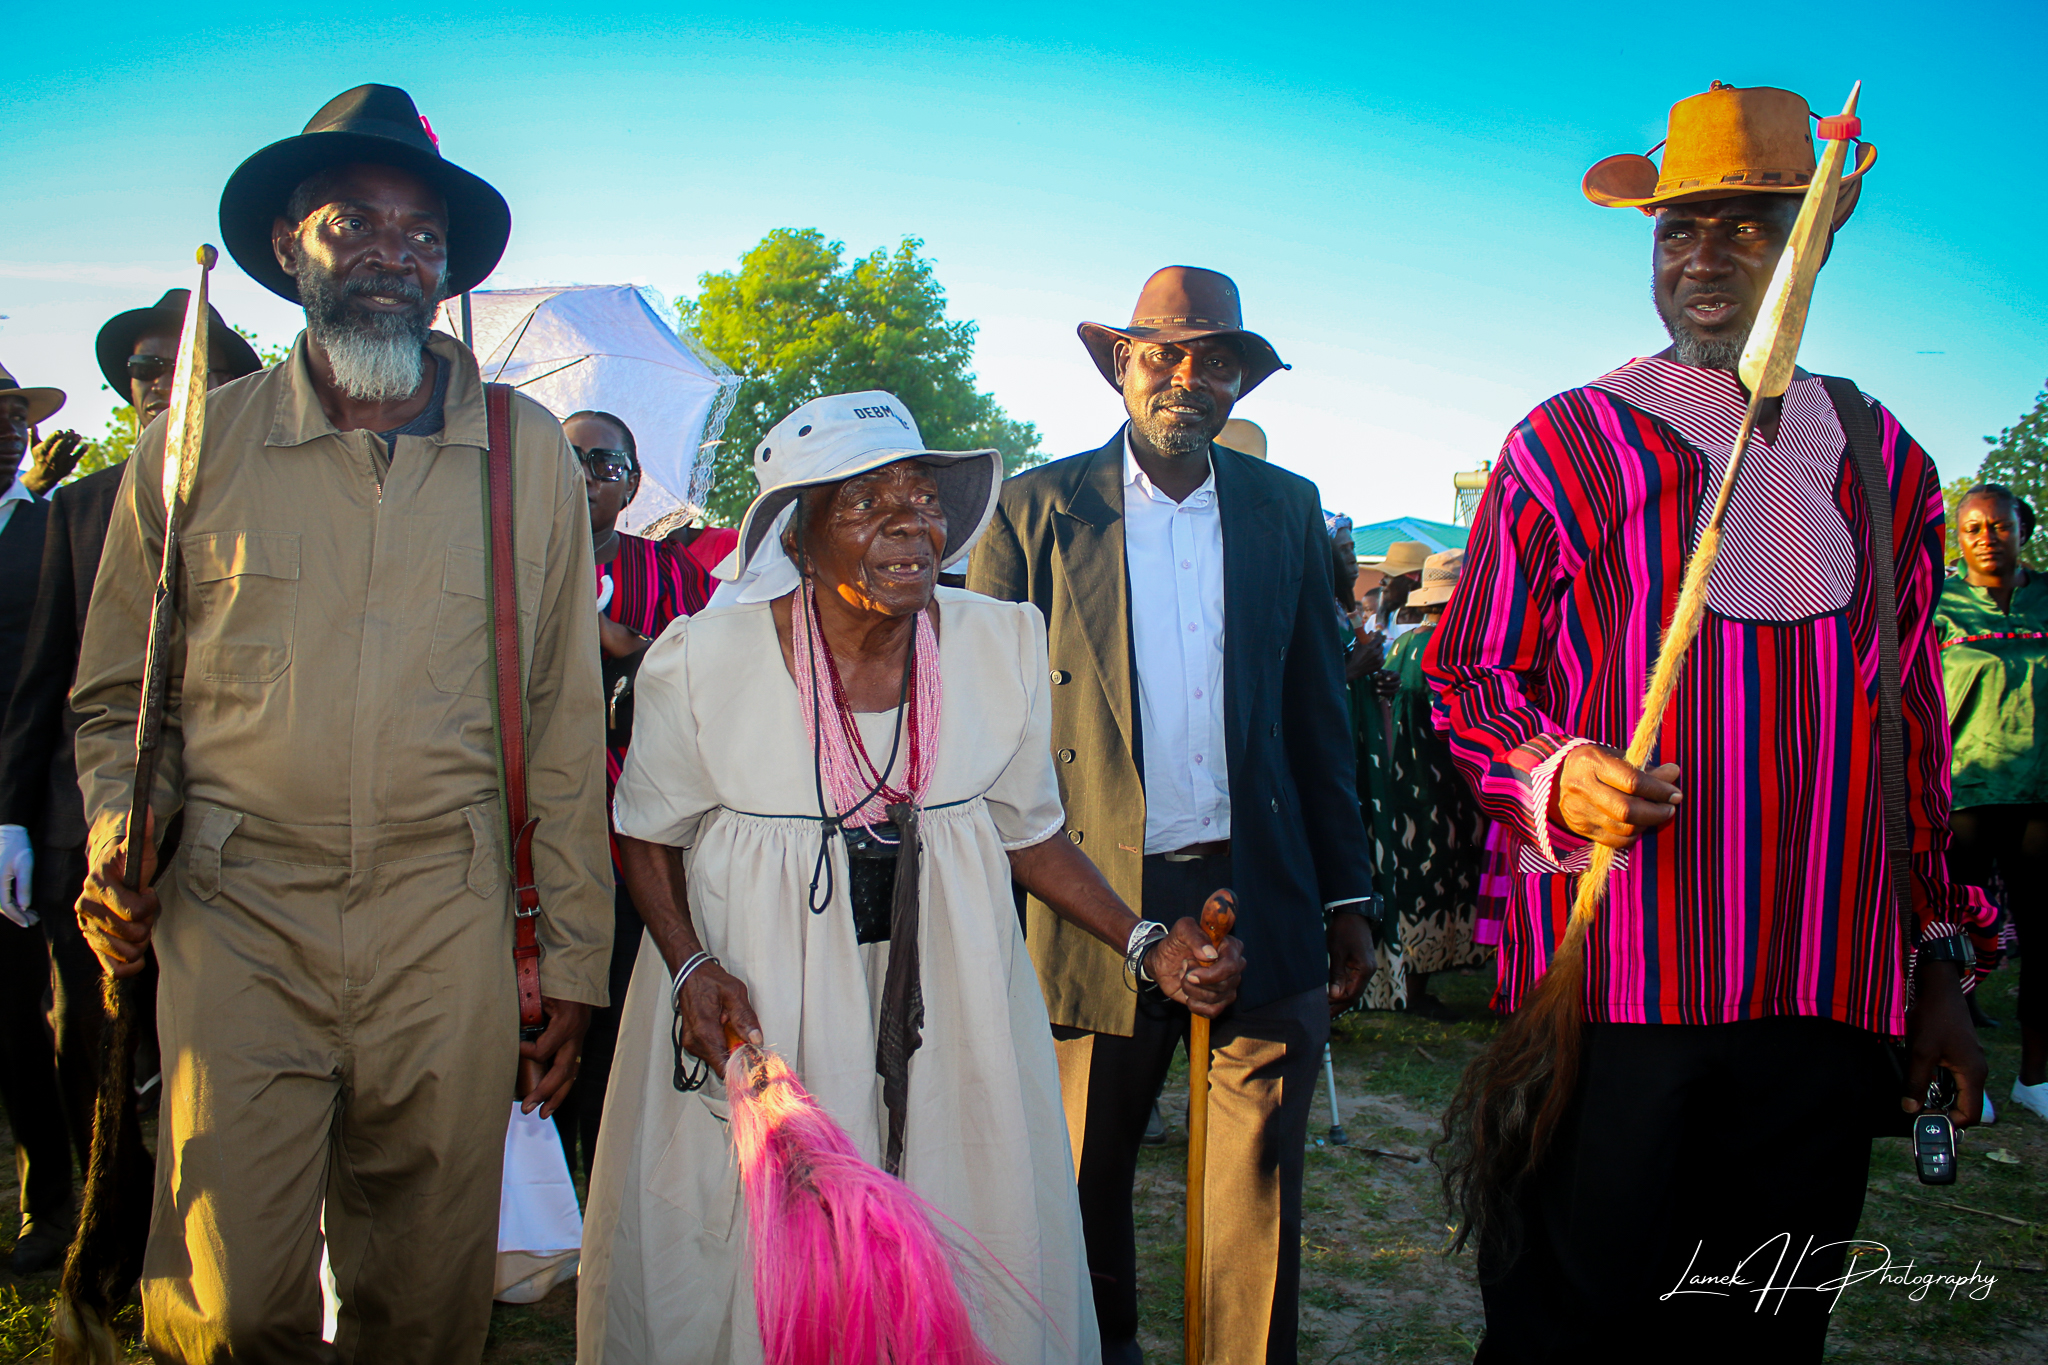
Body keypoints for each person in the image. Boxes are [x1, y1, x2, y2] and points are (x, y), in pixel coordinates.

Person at [1427, 82, 1988, 1359]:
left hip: (1825, 989)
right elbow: (1467, 681)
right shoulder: (1569, 440)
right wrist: (1555, 776)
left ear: (1812, 236)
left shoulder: (1882, 452)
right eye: (1677, 229)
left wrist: (1939, 965)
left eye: (1744, 226)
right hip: (1620, 977)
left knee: (1762, 1334)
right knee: (1578, 1325)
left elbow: (1910, 727)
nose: (1700, 256)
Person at [69, 84, 611, 1362]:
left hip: (448, 919)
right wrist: (116, 826)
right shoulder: (193, 450)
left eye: (417, 234)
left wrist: (571, 966)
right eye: (352, 223)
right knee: (230, 1299)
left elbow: (563, 724)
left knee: (422, 1295)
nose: (391, 254)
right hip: (238, 913)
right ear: (284, 248)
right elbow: (115, 700)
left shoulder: (525, 454)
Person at [577, 389, 1245, 1364]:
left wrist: (1142, 942)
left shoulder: (999, 644)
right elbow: (646, 831)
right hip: (758, 1004)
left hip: (950, 1009)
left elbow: (1029, 832)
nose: (908, 523)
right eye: (861, 503)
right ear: (796, 539)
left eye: (921, 497)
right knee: (756, 1266)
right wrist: (685, 967)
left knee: (958, 1217)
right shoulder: (702, 658)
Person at [968, 266, 1378, 1365]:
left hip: (1260, 888)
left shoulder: (1283, 507)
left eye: (1214, 360)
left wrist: (1347, 892)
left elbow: (1315, 714)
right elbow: (984, 725)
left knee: (1255, 1197)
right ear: (1120, 365)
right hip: (1088, 893)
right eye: (1162, 353)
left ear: (1241, 383)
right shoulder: (1033, 510)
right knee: (1077, 1181)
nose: (1186, 378)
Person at [0, 295, 261, 1275]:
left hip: (238, 830)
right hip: (96, 828)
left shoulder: (268, 499)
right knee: (97, 1044)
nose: (162, 384)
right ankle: (106, 1224)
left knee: (216, 1052)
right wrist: (13, 820)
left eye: (186, 366)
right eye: (144, 372)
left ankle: (215, 1238)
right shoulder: (78, 506)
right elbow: (50, 676)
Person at [551, 408, 714, 1176]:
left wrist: (629, 649)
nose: (583, 474)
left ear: (633, 484)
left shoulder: (676, 576)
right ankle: (534, 1198)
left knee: (616, 1021)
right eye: (566, 456)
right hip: (524, 843)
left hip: (635, 845)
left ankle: (610, 1176)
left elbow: (723, 678)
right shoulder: (499, 568)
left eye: (603, 463)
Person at [1937, 483, 2048, 1119]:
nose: (1984, 538)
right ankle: (1960, 1076)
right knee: (1952, 933)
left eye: (1998, 526)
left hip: (2042, 796)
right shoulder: (1939, 603)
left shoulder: (2046, 596)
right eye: (1971, 528)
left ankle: (2034, 1078)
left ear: (2021, 529)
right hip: (1966, 791)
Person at [0, 361, 67, 1274]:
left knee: (23, 1018)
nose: (9, 432)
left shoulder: (51, 530)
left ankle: (52, 1203)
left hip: (25, 809)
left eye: (13, 417)